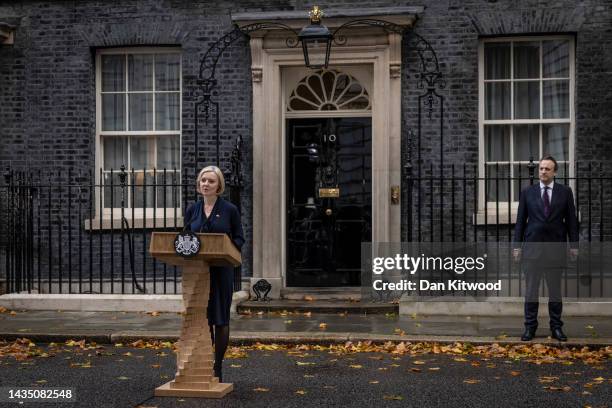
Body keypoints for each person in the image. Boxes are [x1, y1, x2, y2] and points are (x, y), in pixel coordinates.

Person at [184, 166, 244, 382]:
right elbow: (186, 238)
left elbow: (239, 238)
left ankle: (217, 366)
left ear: (219, 185)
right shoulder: (193, 209)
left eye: (210, 181)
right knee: (202, 319)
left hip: (221, 271)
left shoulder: (230, 210)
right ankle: (203, 363)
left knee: (220, 318)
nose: (206, 184)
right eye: (203, 180)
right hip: (199, 271)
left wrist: (225, 246)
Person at [513, 156, 578, 342]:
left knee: (555, 292)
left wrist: (574, 246)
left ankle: (556, 327)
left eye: (547, 169)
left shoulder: (565, 192)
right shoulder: (528, 192)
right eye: (541, 168)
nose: (543, 172)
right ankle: (530, 327)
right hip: (532, 249)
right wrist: (516, 247)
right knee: (531, 291)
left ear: (555, 172)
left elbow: (572, 221)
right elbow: (520, 222)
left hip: (555, 249)